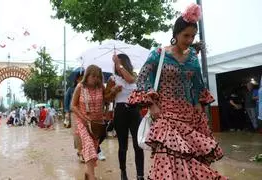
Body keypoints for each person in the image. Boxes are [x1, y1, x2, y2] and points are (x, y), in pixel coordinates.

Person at [129, 4, 226, 179]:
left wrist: (197, 105)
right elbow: (142, 79)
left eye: (193, 36)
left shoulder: (193, 58)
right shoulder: (158, 54)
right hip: (165, 114)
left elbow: (198, 85)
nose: (189, 40)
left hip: (189, 117)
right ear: (176, 34)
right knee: (167, 161)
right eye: (185, 35)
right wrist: (152, 106)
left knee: (191, 161)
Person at [105, 53, 144, 180]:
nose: (116, 66)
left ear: (125, 63)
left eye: (119, 63)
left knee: (138, 145)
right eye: (115, 64)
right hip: (120, 111)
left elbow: (131, 80)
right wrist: (114, 91)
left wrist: (118, 64)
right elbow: (106, 98)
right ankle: (123, 173)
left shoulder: (134, 76)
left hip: (134, 111)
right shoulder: (112, 79)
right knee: (123, 146)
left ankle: (140, 175)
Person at [71, 65, 105, 180]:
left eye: (98, 76)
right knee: (89, 146)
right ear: (87, 75)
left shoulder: (101, 87)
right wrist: (84, 118)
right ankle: (92, 177)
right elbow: (73, 105)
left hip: (97, 125)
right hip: (83, 122)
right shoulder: (80, 87)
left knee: (94, 148)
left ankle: (88, 173)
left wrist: (113, 89)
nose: (95, 79)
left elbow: (108, 99)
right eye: (93, 76)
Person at [64, 71, 85, 162]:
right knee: (77, 133)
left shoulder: (87, 89)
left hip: (85, 114)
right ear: (77, 79)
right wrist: (67, 113)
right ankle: (80, 152)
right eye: (81, 78)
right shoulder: (71, 89)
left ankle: (86, 151)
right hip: (74, 113)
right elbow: (66, 102)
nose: (83, 79)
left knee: (85, 133)